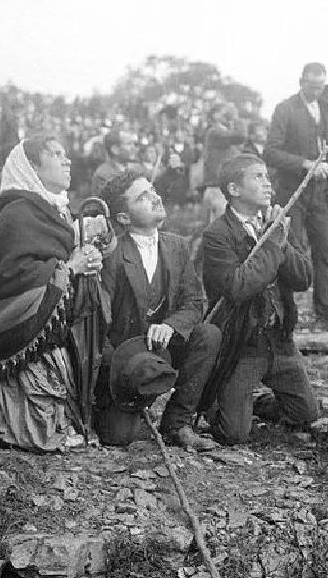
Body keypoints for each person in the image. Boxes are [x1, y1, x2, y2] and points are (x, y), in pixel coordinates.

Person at [0, 135, 102, 452]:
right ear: (33, 166)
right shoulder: (18, 212)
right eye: (56, 154)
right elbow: (16, 276)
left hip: (53, 330)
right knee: (35, 426)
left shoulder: (54, 209)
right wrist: (70, 267)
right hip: (26, 331)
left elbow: (55, 251)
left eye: (66, 153)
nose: (67, 160)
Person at [201, 154, 320, 444]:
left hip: (278, 340)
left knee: (306, 413)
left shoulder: (274, 225)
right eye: (258, 177)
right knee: (234, 434)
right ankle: (219, 402)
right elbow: (238, 286)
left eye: (268, 177)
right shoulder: (217, 235)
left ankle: (256, 403)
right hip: (243, 343)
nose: (268, 183)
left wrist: (281, 241)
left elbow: (303, 278)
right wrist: (274, 244)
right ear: (234, 189)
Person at [99, 170, 221, 450]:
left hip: (164, 349)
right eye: (143, 197)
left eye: (153, 190)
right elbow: (99, 325)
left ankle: (177, 423)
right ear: (124, 218)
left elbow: (194, 302)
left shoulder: (176, 246)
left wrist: (171, 325)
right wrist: (119, 376)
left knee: (208, 335)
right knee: (118, 437)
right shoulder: (113, 255)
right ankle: (127, 409)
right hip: (126, 364)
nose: (155, 197)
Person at [264, 63, 328, 326]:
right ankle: (285, 312)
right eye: (312, 86)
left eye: (321, 87)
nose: (317, 92)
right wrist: (306, 164)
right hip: (292, 192)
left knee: (325, 251)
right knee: (290, 251)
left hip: (320, 194)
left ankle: (324, 309)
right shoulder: (285, 109)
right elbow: (270, 152)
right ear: (301, 82)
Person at [202, 103, 247, 223]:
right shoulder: (215, 132)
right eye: (222, 111)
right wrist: (235, 118)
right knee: (222, 230)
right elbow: (240, 136)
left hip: (222, 188)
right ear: (214, 115)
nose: (226, 114)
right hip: (218, 189)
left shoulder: (224, 133)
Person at [91, 130, 140, 196]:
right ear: (115, 150)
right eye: (129, 144)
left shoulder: (134, 169)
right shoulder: (103, 174)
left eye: (134, 144)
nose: (134, 148)